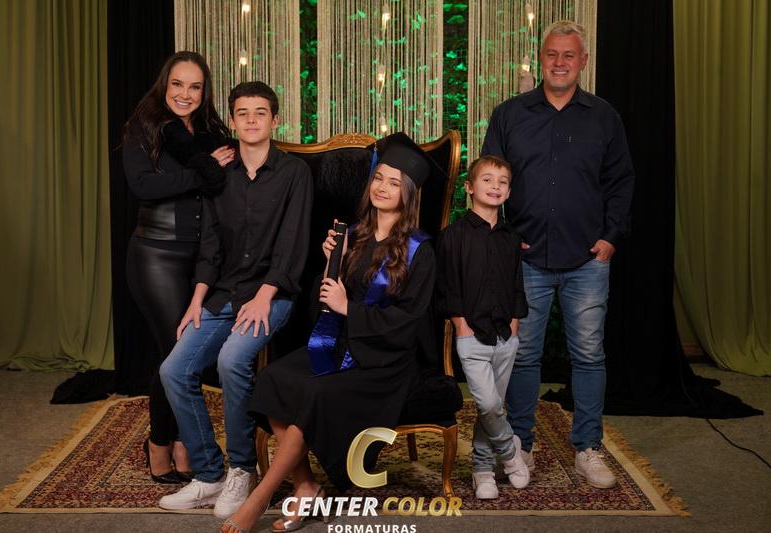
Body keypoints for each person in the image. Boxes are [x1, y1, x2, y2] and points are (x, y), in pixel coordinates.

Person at [220, 133, 438, 533]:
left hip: (384, 361)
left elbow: (408, 321)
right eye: (379, 178)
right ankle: (306, 486)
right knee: (272, 380)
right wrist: (330, 263)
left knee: (314, 395)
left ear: (407, 193)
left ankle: (259, 498)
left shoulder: (419, 250)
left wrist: (348, 308)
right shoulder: (353, 234)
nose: (382, 187)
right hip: (340, 344)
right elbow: (324, 303)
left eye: (394, 183)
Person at [481, 20, 635, 489]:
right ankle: (521, 445)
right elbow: (489, 179)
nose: (560, 63)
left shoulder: (604, 117)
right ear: (541, 58)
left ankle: (587, 447)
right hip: (525, 259)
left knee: (588, 355)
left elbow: (621, 181)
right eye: (552, 54)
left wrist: (611, 237)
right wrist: (502, 239)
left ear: (583, 61)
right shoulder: (509, 115)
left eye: (569, 55)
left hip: (587, 259)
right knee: (523, 355)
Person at [157, 81, 313, 517]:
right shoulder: (220, 173)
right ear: (232, 120)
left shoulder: (294, 173)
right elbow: (209, 246)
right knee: (173, 369)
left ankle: (242, 470)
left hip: (273, 293)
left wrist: (265, 295)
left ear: (275, 120)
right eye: (242, 113)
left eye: (260, 112)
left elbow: (292, 243)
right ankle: (209, 475)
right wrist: (196, 300)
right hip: (223, 291)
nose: (251, 120)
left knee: (231, 360)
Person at [123, 51, 234, 483]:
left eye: (195, 86)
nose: (185, 94)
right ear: (164, 85)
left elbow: (226, 182)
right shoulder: (145, 127)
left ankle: (181, 441)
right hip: (157, 253)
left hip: (201, 256)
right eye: (177, 84)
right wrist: (204, 172)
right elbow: (144, 186)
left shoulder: (209, 133)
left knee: (191, 356)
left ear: (204, 92)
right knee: (176, 353)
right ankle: (161, 444)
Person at [436, 155, 530, 499]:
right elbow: (448, 287)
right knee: (489, 404)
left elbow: (516, 284)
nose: (495, 186)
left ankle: (482, 469)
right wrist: (461, 326)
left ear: (509, 191)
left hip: (506, 335)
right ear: (470, 187)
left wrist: (515, 325)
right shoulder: (452, 236)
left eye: (502, 182)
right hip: (471, 335)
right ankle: (509, 451)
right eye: (487, 180)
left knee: (493, 407)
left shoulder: (511, 237)